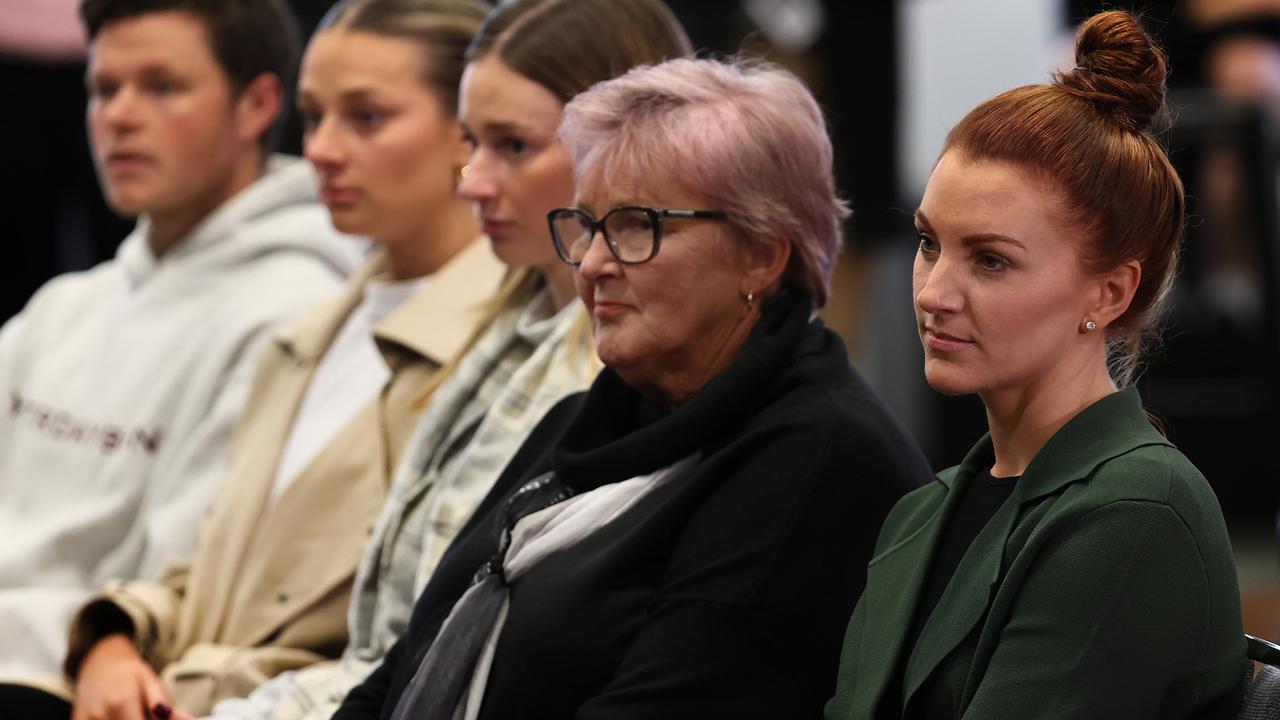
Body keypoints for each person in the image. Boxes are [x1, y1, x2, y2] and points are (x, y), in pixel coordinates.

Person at [329, 56, 931, 720]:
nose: (591, 264)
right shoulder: (593, 417)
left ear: (762, 252)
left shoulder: (818, 460)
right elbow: (403, 665)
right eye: (587, 226)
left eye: (636, 227)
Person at [196, 3, 689, 719]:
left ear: (627, 149)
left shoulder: (621, 369)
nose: (473, 181)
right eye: (470, 143)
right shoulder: (505, 318)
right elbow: (388, 642)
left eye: (513, 146)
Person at [53, 2, 506, 719]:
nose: (321, 147)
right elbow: (209, 573)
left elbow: (397, 649)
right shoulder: (313, 330)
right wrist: (114, 639)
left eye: (365, 117)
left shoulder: (505, 357)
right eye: (314, 114)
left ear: (470, 131)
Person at [824, 10, 1245, 720]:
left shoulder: (1134, 511)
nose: (933, 293)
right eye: (930, 243)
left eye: (990, 261)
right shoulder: (921, 515)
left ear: (1110, 293)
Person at [0, 0, 363, 703]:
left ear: (257, 103)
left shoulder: (296, 315)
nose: (120, 116)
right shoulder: (66, 305)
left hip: (73, 679)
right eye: (104, 89)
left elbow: (176, 587)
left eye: (162, 87)